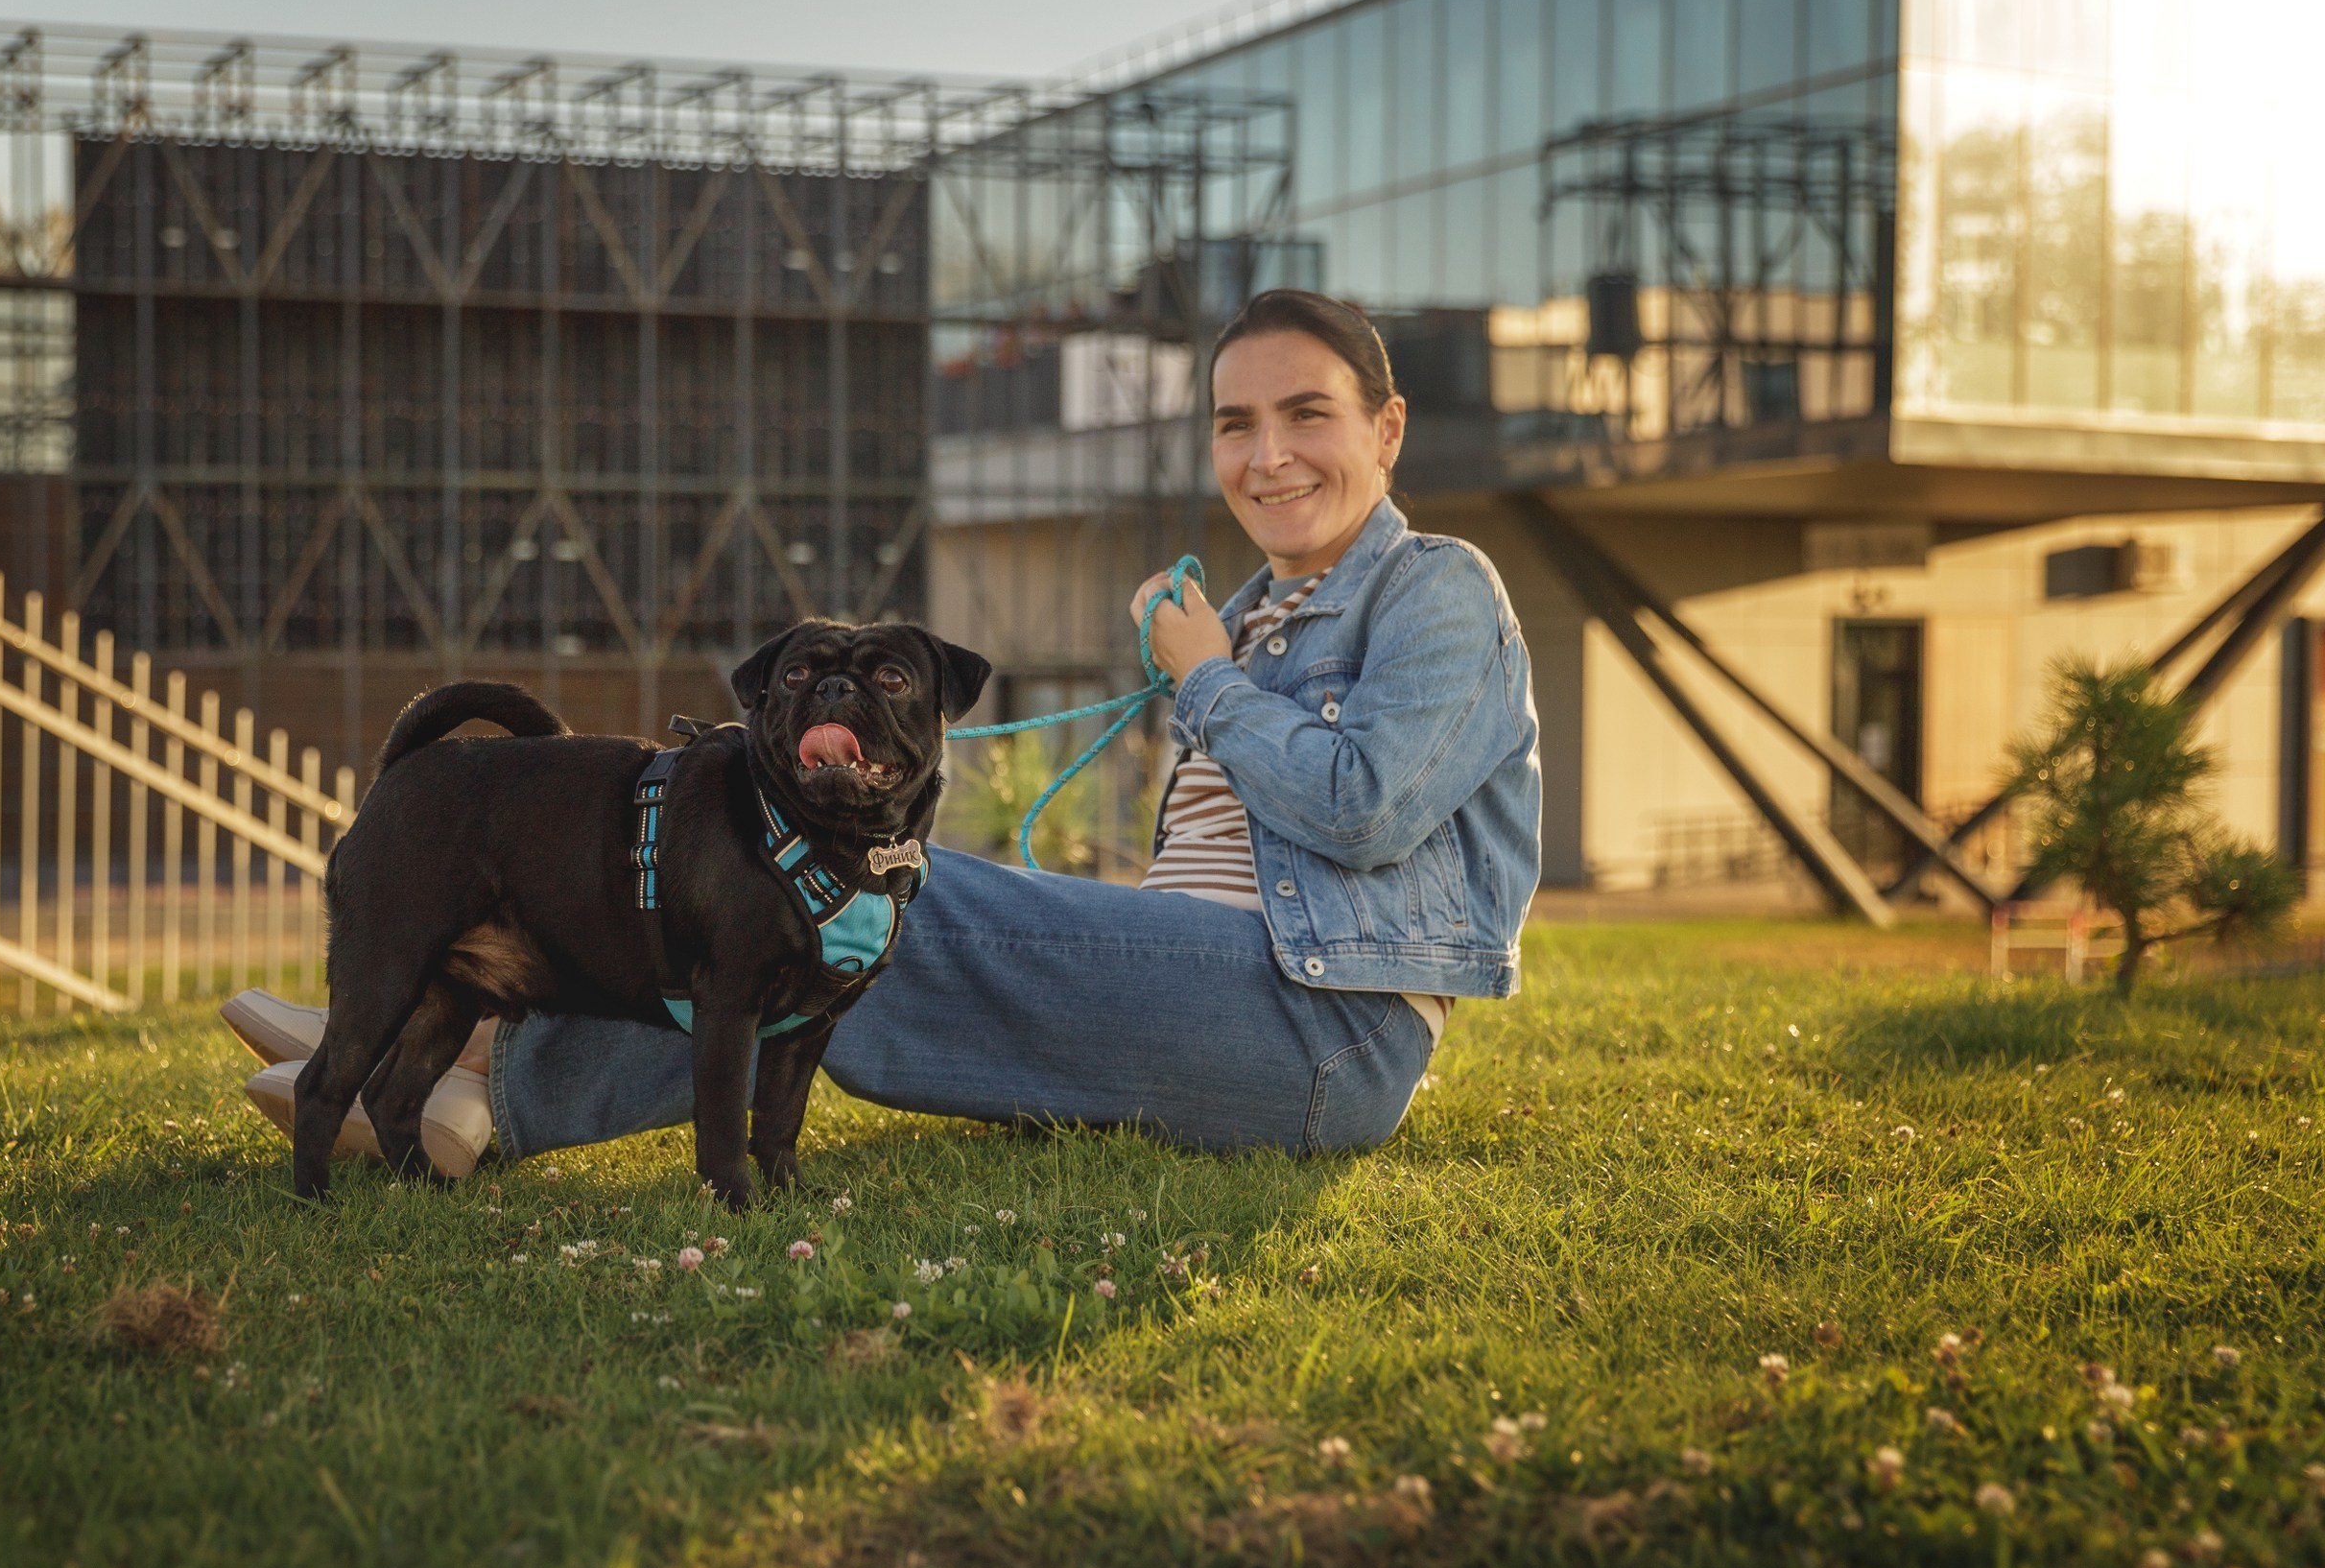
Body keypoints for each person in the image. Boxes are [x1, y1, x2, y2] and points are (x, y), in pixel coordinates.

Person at [228, 289, 1541, 1174]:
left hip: (1331, 1031)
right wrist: (1217, 663)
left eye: (1307, 414)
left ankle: (480, 1072)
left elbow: (1367, 808)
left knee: (859, 897)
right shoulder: (1249, 614)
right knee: (775, 901)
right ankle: (438, 1027)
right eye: (1236, 424)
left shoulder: (1438, 587)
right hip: (1222, 994)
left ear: (1386, 427)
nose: (1268, 456)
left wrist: (1202, 683)